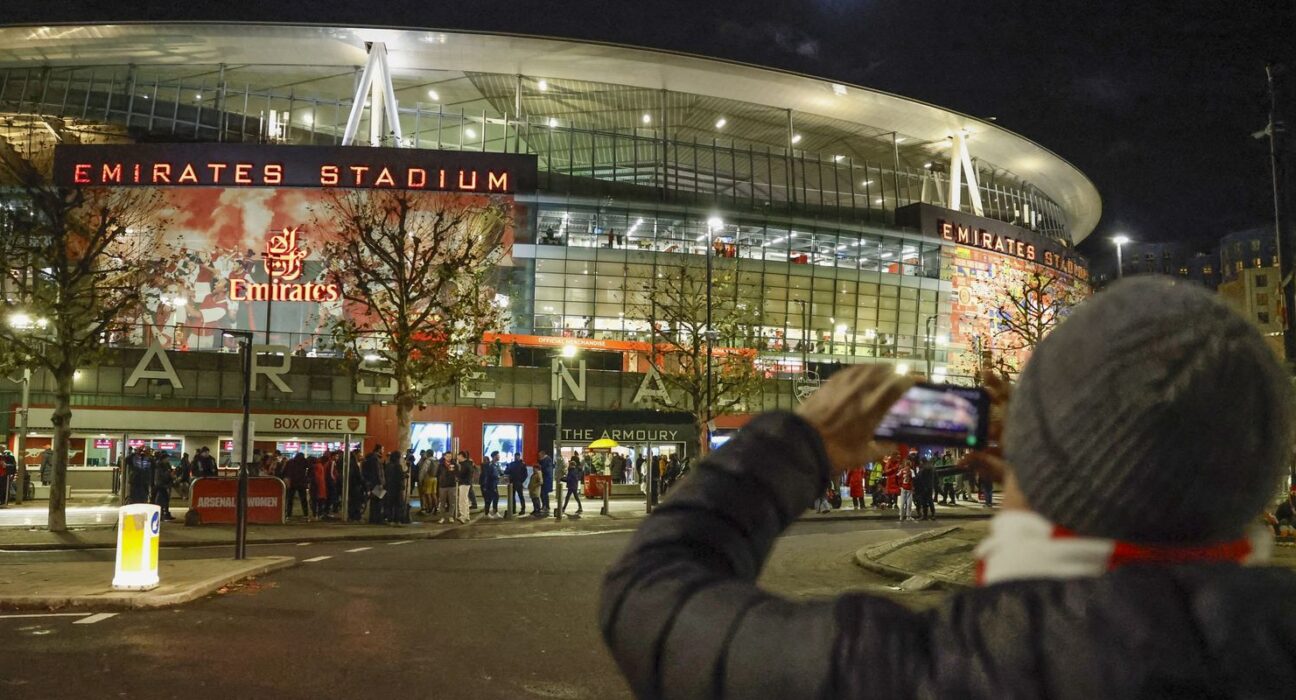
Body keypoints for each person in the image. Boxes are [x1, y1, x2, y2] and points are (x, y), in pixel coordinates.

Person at [600, 278, 1296, 698]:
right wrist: (1042, 468)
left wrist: (800, 443)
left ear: (1031, 450)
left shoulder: (921, 671)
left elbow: (649, 593)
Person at [283, 452, 312, 519]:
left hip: (292, 482)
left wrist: (287, 480)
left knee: (290, 499)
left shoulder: (290, 462)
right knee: (303, 499)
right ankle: (305, 514)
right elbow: (309, 468)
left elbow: (285, 472)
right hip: (301, 482)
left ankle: (289, 514)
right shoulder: (304, 461)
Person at [362, 444, 386, 525]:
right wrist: (381, 483)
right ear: (379, 449)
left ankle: (373, 518)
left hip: (372, 483)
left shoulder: (370, 458)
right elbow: (377, 472)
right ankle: (377, 519)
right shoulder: (375, 459)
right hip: (377, 483)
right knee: (378, 501)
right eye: (382, 449)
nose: (383, 450)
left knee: (374, 502)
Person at [383, 451, 407, 524]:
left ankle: (390, 519)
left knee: (390, 504)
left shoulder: (388, 465)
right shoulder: (398, 466)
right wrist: (405, 474)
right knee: (398, 504)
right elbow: (400, 476)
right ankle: (397, 519)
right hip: (397, 487)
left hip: (389, 487)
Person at [151, 451, 175, 521]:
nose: (168, 460)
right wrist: (169, 474)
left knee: (165, 499)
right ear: (163, 458)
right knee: (161, 500)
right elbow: (161, 475)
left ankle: (165, 514)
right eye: (167, 458)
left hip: (164, 484)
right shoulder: (159, 465)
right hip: (160, 484)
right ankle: (161, 515)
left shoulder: (166, 464)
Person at [436, 453, 458, 524]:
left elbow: (458, 472)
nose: (449, 458)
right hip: (443, 486)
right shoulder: (441, 465)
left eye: (450, 456)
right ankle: (442, 517)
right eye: (447, 456)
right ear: (444, 457)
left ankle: (450, 516)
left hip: (452, 485)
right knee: (442, 502)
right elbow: (437, 474)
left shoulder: (454, 464)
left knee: (452, 502)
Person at [455, 451, 474, 524]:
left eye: (458, 456)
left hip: (464, 483)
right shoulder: (469, 463)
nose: (457, 457)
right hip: (467, 483)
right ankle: (467, 515)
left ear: (461, 456)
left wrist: (456, 473)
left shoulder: (464, 465)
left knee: (462, 500)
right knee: (465, 500)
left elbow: (460, 474)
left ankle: (463, 516)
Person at [481, 450, 501, 518]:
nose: (499, 456)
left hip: (495, 484)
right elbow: (488, 476)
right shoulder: (490, 465)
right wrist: (485, 486)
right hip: (490, 485)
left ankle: (494, 511)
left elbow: (500, 473)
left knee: (496, 497)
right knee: (489, 499)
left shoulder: (497, 465)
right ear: (494, 456)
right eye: (498, 455)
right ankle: (487, 513)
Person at [417, 451, 437, 515]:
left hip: (428, 478)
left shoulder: (428, 461)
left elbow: (423, 470)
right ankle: (436, 508)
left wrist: (420, 479)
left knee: (428, 494)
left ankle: (430, 508)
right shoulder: (436, 460)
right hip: (435, 478)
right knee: (433, 494)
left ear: (428, 454)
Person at [312, 453, 331, 520]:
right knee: (319, 501)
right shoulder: (319, 466)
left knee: (316, 501)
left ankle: (316, 514)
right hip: (319, 486)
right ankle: (318, 514)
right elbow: (318, 477)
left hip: (318, 486)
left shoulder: (317, 466)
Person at [538, 449, 555, 516]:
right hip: (545, 479)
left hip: (546, 480)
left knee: (544, 494)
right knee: (543, 494)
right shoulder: (546, 460)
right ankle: (545, 506)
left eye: (539, 455)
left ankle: (545, 506)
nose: (539, 456)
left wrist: (540, 465)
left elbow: (546, 470)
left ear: (542, 454)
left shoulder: (547, 460)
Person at [896, 458, 914, 522]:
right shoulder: (911, 471)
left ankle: (901, 516)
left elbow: (897, 476)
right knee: (909, 503)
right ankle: (908, 516)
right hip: (909, 489)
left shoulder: (902, 470)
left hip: (903, 488)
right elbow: (914, 479)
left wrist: (899, 485)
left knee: (902, 502)